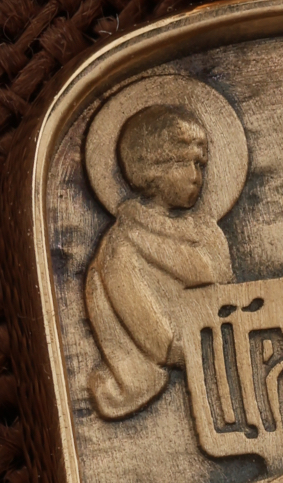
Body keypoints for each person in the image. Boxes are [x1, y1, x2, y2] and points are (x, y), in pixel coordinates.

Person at [86, 105, 232, 420]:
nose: (195, 177)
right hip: (169, 398)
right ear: (149, 167)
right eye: (182, 163)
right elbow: (159, 343)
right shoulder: (122, 247)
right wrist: (230, 346)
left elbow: (232, 296)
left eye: (200, 164)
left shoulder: (208, 233)